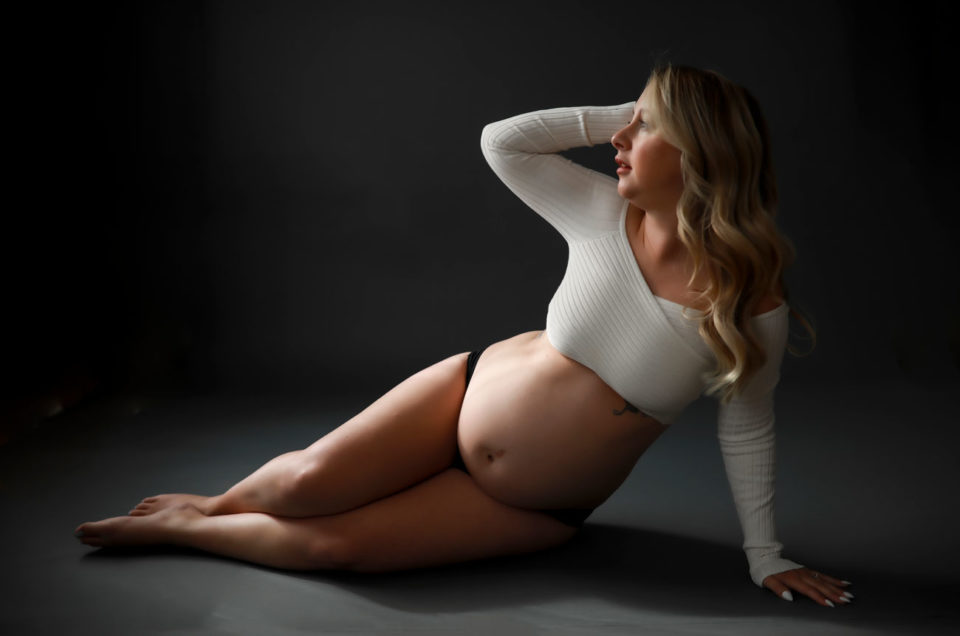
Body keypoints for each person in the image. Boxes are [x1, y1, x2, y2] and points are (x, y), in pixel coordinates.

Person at [75, 63, 853, 607]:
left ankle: (189, 531)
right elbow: (501, 141)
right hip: (462, 392)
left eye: (643, 128)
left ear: (697, 151)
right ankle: (216, 505)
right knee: (304, 483)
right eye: (627, 121)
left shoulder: (750, 300)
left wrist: (765, 556)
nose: (618, 138)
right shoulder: (600, 212)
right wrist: (629, 112)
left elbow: (749, 425)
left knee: (333, 549)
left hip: (533, 506)